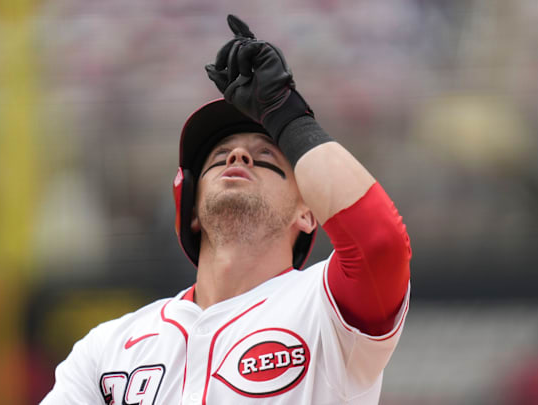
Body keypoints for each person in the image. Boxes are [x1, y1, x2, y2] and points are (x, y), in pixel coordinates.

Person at [41, 15, 411, 405]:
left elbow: (380, 244)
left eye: (266, 155)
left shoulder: (326, 312)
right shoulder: (106, 349)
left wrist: (286, 115)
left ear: (307, 213)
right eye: (219, 156)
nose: (237, 154)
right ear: (193, 211)